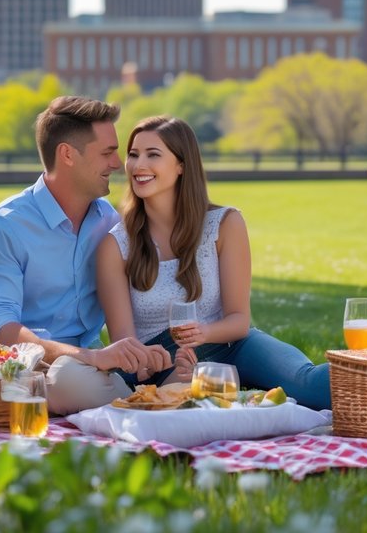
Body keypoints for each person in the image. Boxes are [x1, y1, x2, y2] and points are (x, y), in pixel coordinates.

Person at [96, 115, 331, 410]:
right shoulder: (115, 246)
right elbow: (125, 347)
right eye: (133, 155)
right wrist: (146, 365)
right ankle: (231, 388)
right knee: (196, 407)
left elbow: (239, 320)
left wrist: (203, 333)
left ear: (181, 165)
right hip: (169, 362)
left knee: (311, 386)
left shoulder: (224, 224)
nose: (138, 165)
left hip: (235, 346)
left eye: (152, 154)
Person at [0, 96, 172, 413]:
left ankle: (146, 392)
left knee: (93, 376)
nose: (118, 164)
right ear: (67, 155)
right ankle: (147, 400)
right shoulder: (4, 226)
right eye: (107, 153)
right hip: (21, 363)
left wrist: (140, 356)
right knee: (67, 382)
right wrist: (85, 357)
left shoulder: (108, 222)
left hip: (90, 365)